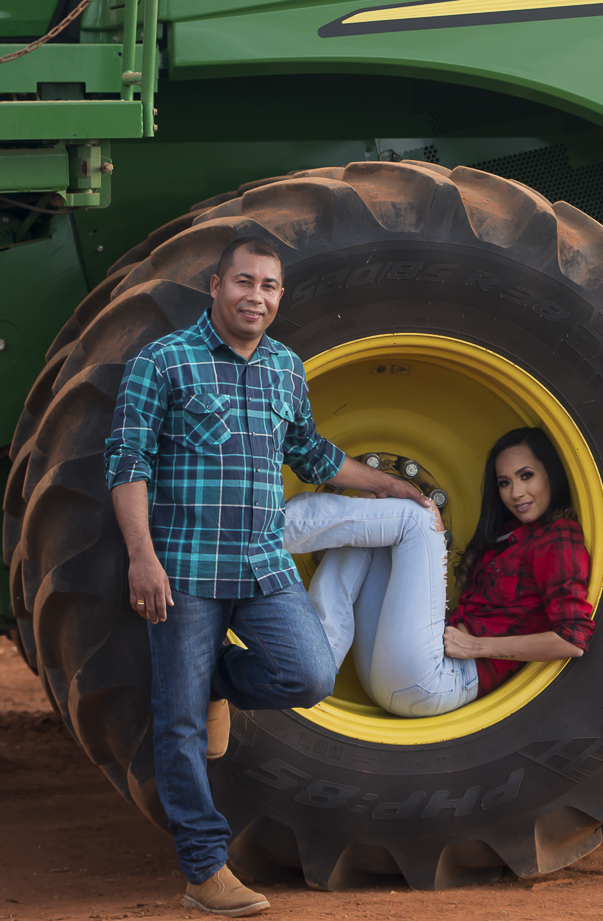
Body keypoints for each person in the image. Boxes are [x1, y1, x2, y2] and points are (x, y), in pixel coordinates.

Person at [104, 234, 429, 919]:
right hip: (186, 571)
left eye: (269, 286)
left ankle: (215, 678)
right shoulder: (162, 362)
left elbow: (310, 453)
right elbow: (127, 463)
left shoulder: (285, 366)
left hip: (262, 564)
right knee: (180, 725)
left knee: (309, 675)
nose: (256, 296)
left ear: (280, 295)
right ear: (215, 286)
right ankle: (203, 870)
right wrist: (142, 556)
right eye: (244, 281)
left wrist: (389, 486)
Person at [283, 426, 595, 718]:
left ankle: (271, 527)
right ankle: (316, 659)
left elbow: (571, 639)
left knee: (418, 517)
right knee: (369, 528)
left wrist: (479, 647)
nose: (516, 493)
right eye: (505, 483)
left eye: (526, 476)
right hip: (396, 672)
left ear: (550, 474)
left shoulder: (559, 536)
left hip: (440, 680)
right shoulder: (508, 536)